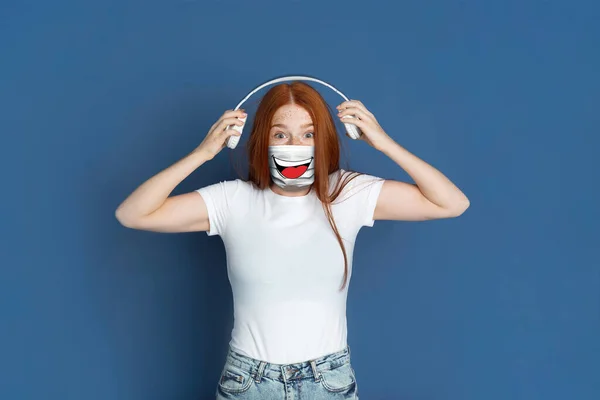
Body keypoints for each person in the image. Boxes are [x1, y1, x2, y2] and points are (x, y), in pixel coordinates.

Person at [115, 81, 470, 399]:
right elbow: (133, 214)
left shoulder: (347, 193)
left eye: (308, 134)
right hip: (248, 383)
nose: (294, 145)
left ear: (325, 139)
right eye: (281, 134)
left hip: (328, 382)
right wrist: (202, 153)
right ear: (261, 139)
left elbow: (451, 203)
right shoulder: (232, 200)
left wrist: (384, 143)